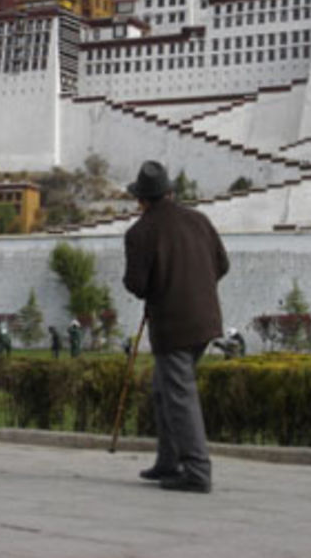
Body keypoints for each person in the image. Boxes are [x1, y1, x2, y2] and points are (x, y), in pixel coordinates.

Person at [123, 160, 229, 494]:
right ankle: (168, 461)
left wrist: (165, 287)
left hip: (173, 324)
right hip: (206, 318)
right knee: (163, 387)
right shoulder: (199, 220)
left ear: (142, 200)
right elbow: (222, 264)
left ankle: (196, 470)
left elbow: (137, 284)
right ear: (169, 193)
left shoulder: (140, 232)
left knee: (179, 393)